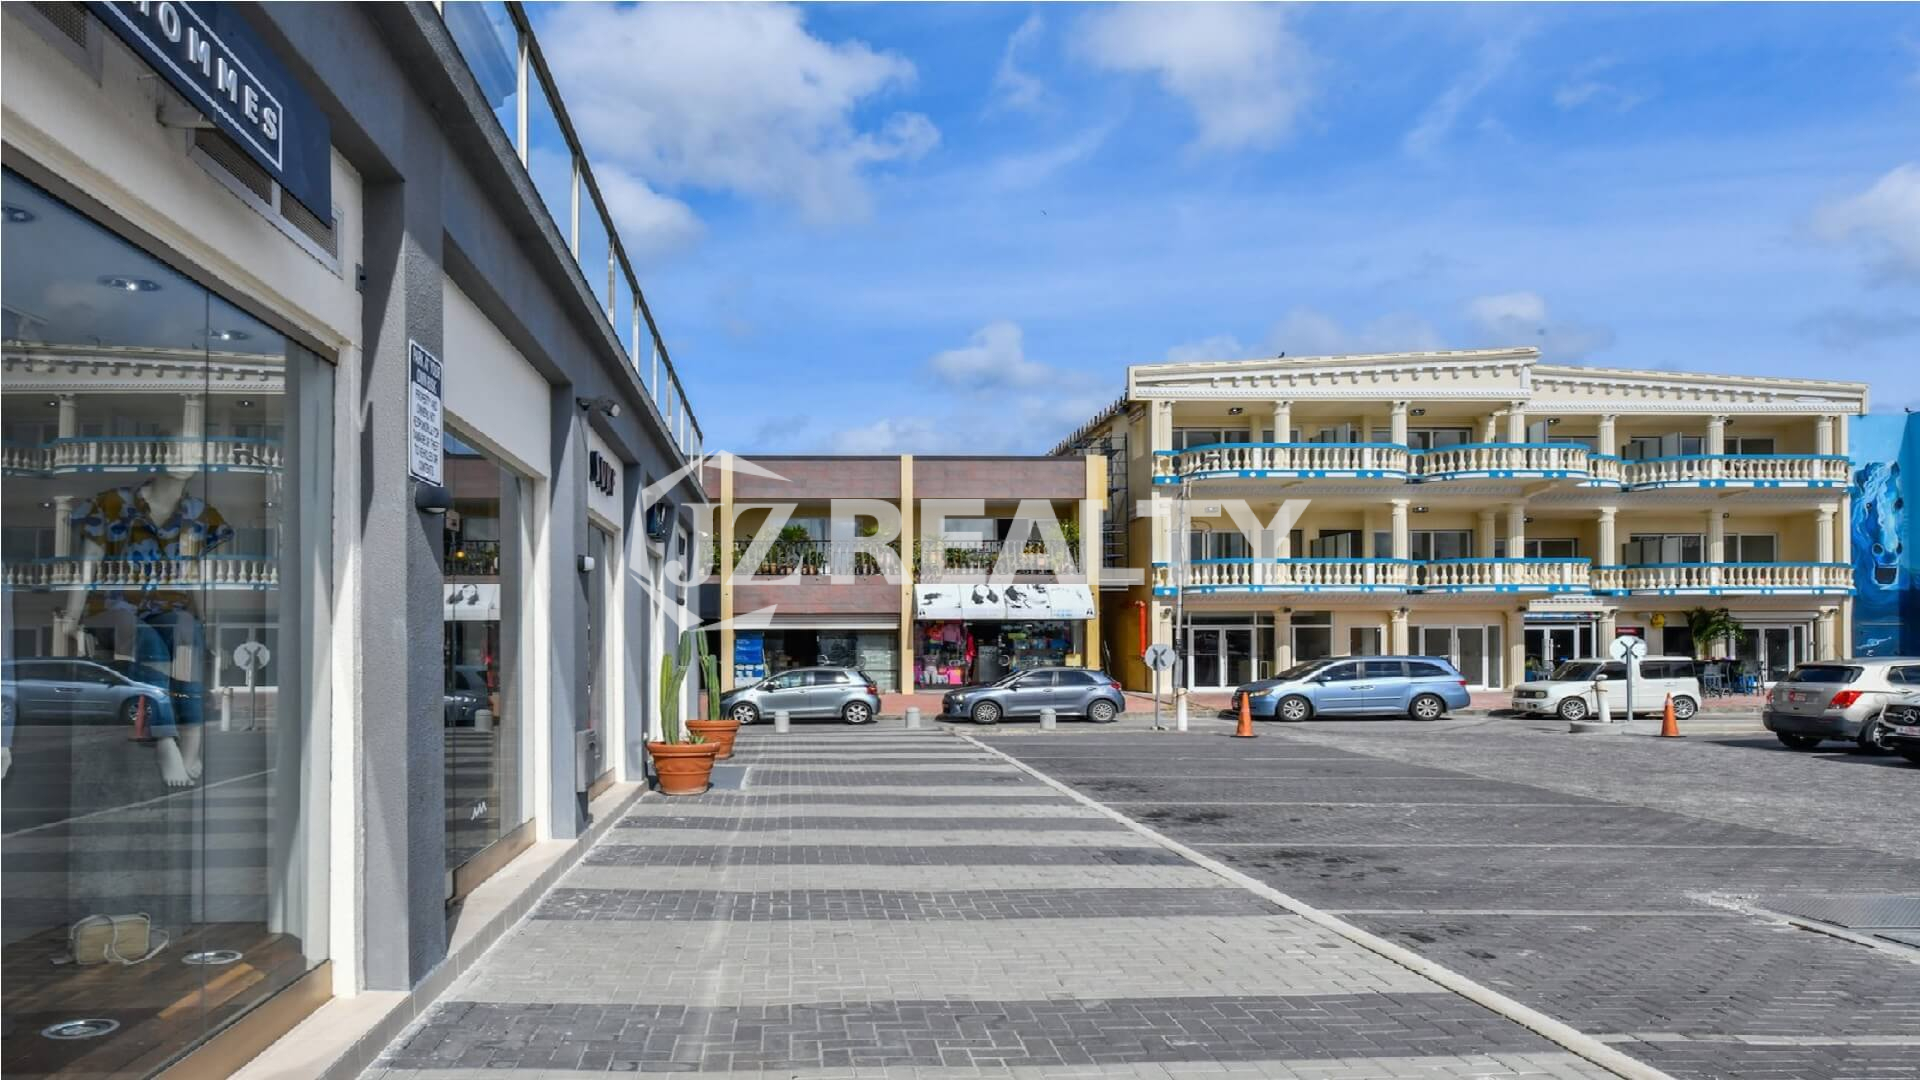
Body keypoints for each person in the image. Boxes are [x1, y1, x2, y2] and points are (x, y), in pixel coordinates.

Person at [64, 473, 232, 787]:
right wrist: (72, 619)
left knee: (186, 635)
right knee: (149, 644)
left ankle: (192, 741)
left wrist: (205, 623)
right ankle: (165, 739)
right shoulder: (111, 504)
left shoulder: (196, 513)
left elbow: (196, 575)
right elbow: (88, 564)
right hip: (113, 606)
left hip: (169, 606)